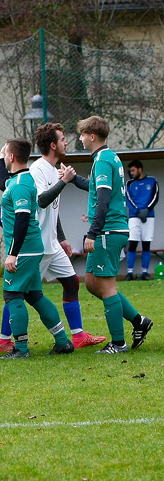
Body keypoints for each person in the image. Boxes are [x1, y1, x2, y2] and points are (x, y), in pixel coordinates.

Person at [0, 123, 105, 351]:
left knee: (15, 292)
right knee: (29, 293)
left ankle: (58, 340)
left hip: (37, 244)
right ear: (53, 145)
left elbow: (42, 209)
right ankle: (11, 340)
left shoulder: (48, 172)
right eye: (63, 139)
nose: (67, 142)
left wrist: (60, 237)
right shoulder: (36, 171)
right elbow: (40, 201)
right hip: (40, 243)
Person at [77, 116, 153, 353]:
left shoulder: (102, 160)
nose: (79, 138)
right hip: (111, 228)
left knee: (107, 287)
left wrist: (93, 231)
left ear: (92, 136)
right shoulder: (109, 157)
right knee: (91, 283)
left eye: (81, 134)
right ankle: (139, 321)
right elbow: (97, 190)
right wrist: (72, 180)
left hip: (107, 231)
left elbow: (104, 198)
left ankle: (118, 343)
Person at [0, 138, 75, 359]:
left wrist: (13, 253)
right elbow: (2, 180)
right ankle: (62, 341)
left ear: (11, 157)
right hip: (31, 247)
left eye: (4, 154)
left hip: (24, 249)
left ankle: (21, 349)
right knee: (34, 295)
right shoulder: (18, 179)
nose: (3, 157)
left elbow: (22, 220)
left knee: (12, 295)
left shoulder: (22, 183)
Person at [125, 159, 158, 280]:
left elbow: (155, 197)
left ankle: (145, 273)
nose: (132, 173)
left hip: (149, 216)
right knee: (132, 243)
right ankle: (130, 273)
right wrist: (138, 212)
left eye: (133, 170)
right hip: (134, 217)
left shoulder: (152, 181)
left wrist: (147, 210)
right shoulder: (129, 183)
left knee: (146, 244)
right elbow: (128, 199)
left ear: (140, 169)